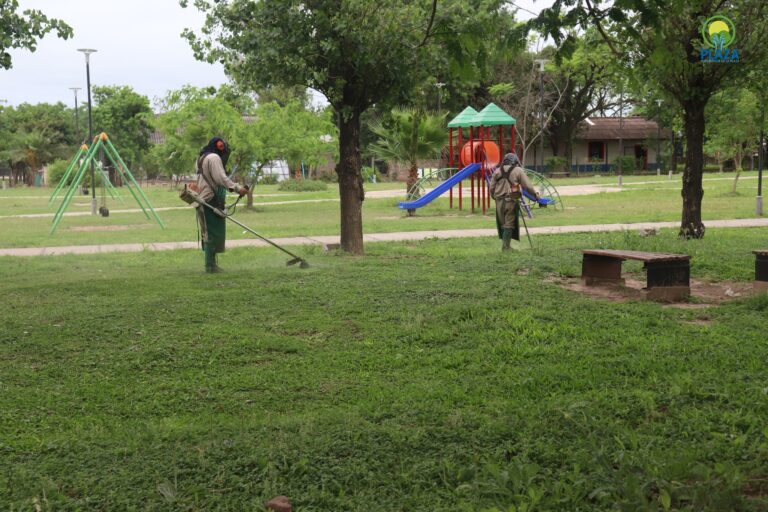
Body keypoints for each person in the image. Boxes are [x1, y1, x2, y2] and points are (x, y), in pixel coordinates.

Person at [195, 137, 247, 273]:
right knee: (211, 234)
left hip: (202, 198)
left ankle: (211, 265)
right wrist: (237, 188)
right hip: (210, 199)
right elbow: (221, 178)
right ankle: (210, 267)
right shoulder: (214, 158)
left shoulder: (202, 157)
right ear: (220, 148)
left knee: (208, 232)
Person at [489, 153, 540, 251]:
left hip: (499, 201)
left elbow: (491, 188)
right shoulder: (518, 170)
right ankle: (506, 247)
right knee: (509, 224)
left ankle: (506, 246)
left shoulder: (497, 171)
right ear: (515, 161)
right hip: (511, 200)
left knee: (504, 224)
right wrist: (535, 195)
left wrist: (494, 197)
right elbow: (528, 186)